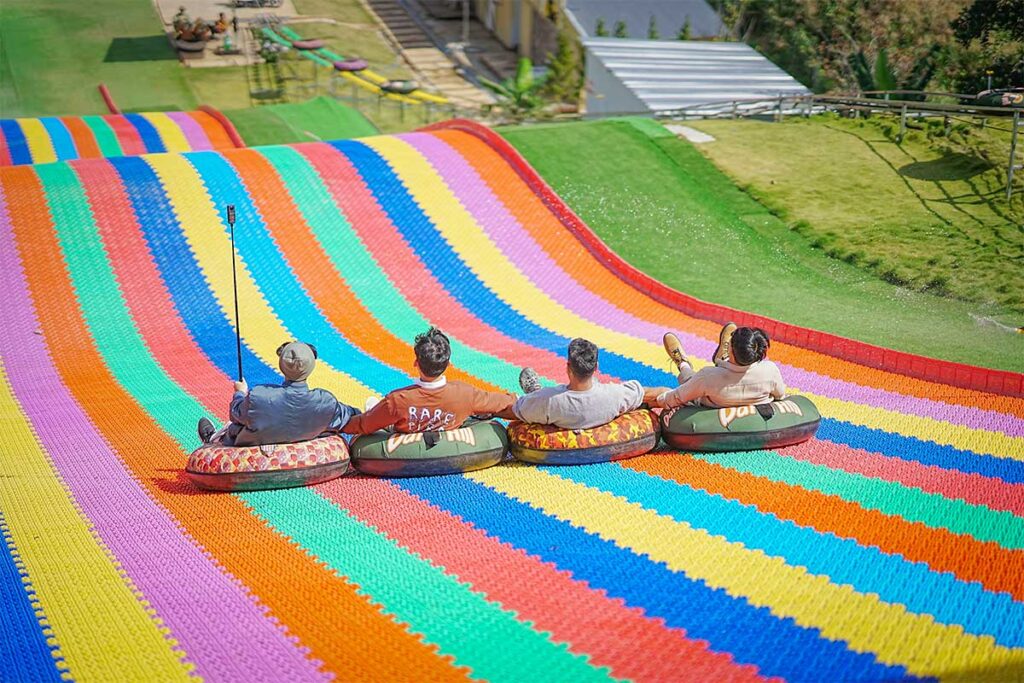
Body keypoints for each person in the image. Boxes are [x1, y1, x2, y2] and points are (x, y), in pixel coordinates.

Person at [343, 327, 515, 434]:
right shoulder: (465, 394)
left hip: (403, 434)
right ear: (447, 364)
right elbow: (502, 402)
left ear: (416, 363)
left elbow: (363, 425)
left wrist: (336, 422)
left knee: (372, 404)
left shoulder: (397, 400)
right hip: (447, 433)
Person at [197, 341, 359, 446]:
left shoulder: (258, 396)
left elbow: (235, 414)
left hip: (250, 443)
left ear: (282, 364)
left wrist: (240, 393)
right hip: (305, 439)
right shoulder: (326, 401)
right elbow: (350, 414)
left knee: (236, 426)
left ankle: (212, 439)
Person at [514, 338, 666, 430]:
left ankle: (534, 392)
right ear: (596, 367)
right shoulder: (614, 395)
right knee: (638, 401)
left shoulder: (549, 400)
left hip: (555, 411)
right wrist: (678, 396)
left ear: (568, 367)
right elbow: (652, 393)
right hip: (599, 403)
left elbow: (511, 409)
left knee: (535, 403)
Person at [655, 323, 787, 409]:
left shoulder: (708, 376)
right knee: (700, 381)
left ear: (731, 350)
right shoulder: (770, 370)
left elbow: (676, 397)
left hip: (710, 406)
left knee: (690, 377)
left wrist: (660, 398)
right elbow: (780, 395)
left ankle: (683, 363)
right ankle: (723, 359)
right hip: (744, 403)